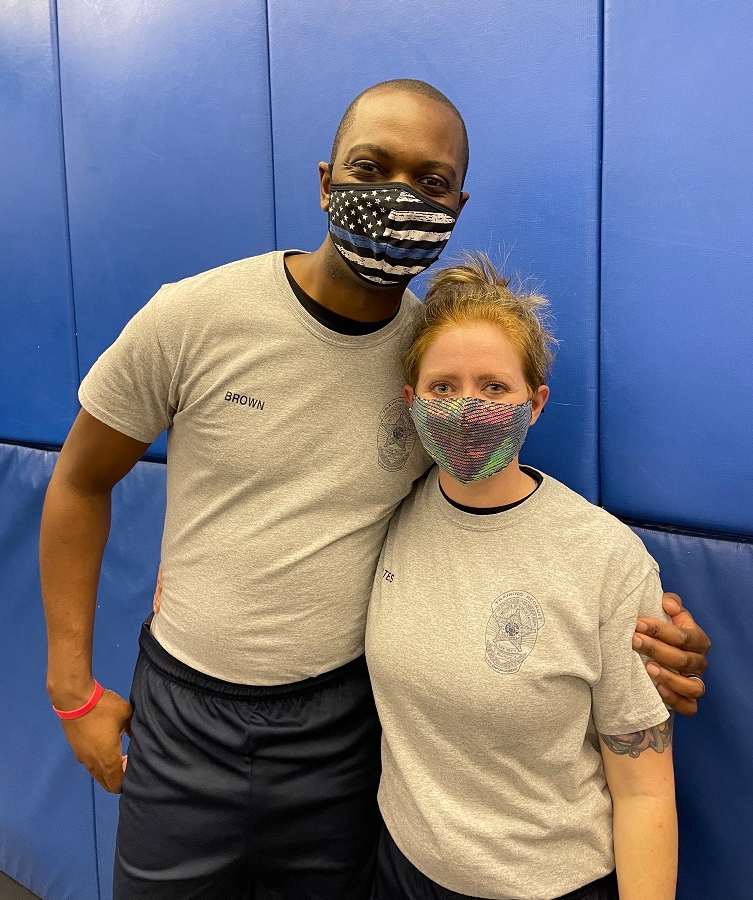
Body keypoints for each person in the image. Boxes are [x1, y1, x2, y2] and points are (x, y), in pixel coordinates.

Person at [39, 80, 708, 900]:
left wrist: (650, 643)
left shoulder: (437, 361)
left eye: (430, 182)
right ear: (327, 182)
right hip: (186, 713)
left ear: (457, 206)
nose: (398, 196)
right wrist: (71, 688)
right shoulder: (194, 316)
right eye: (371, 167)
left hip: (344, 729)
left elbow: (502, 523)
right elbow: (80, 480)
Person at [366, 255, 680, 900]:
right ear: (412, 402)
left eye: (494, 387)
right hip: (402, 870)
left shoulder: (607, 561)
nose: (466, 408)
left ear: (534, 404)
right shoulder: (385, 516)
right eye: (443, 387)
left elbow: (644, 792)